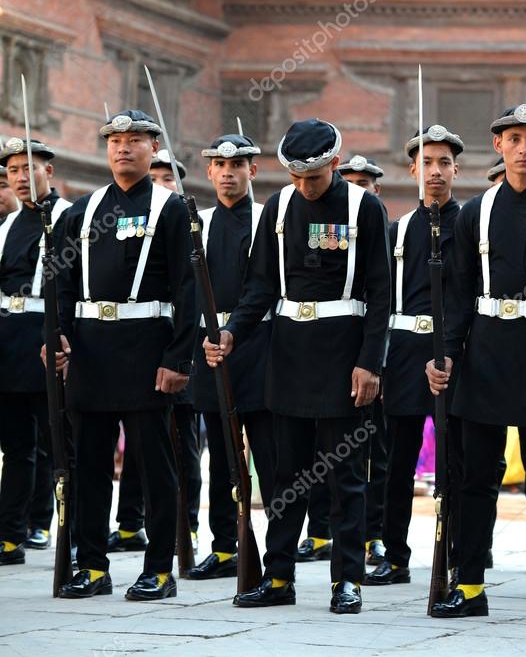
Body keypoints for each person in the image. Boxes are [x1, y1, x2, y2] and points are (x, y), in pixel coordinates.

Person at [204, 118, 390, 614]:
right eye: (296, 178)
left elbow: (380, 292)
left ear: (334, 163)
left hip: (343, 354)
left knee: (344, 475)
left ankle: (346, 579)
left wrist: (371, 363)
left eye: (314, 176)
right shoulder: (280, 207)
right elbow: (260, 284)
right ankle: (278, 576)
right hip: (285, 352)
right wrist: (233, 332)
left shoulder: (363, 206)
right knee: (286, 477)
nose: (305, 187)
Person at [427, 104, 526, 627]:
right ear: (497, 145)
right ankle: (470, 584)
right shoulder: (475, 212)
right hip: (485, 350)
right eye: (514, 137)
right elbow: (457, 296)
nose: (524, 147)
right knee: (474, 478)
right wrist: (446, 355)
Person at [52, 109, 196, 601]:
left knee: (153, 468)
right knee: (88, 465)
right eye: (115, 140)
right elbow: (62, 284)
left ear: (153, 148)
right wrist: (59, 337)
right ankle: (91, 564)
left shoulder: (172, 209)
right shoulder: (83, 210)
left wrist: (179, 359)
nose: (123, 148)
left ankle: (159, 567)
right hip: (91, 351)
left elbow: (189, 288)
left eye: (135, 140)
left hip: (146, 349)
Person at [366, 125, 463, 586]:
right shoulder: (398, 229)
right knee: (397, 464)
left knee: (456, 462)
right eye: (427, 163)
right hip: (404, 353)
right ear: (413, 169)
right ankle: (395, 554)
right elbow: (381, 298)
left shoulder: (469, 224)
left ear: (456, 169)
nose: (436, 171)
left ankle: (459, 551)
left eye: (444, 163)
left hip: (453, 353)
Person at [186, 134, 277, 580]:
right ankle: (225, 547)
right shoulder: (196, 223)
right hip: (211, 348)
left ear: (251, 172)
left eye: (237, 165)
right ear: (209, 172)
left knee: (268, 455)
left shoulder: (267, 221)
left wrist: (235, 328)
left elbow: (267, 288)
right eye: (219, 165)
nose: (227, 172)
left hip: (257, 344)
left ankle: (274, 551)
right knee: (221, 458)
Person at [296, 153, 389, 566]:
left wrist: (373, 359)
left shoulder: (379, 223)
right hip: (313, 352)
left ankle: (372, 536)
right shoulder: (294, 209)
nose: (357, 188)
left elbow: (382, 293)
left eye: (365, 183)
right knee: (314, 455)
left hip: (370, 348)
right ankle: (317, 534)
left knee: (370, 456)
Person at [0, 138, 71, 564]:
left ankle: (48, 524)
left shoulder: (69, 217)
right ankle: (10, 532)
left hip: (49, 337)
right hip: (8, 341)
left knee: (55, 443)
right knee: (15, 446)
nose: (23, 177)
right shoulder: (6, 226)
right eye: (13, 171)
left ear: (50, 171)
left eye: (31, 168)